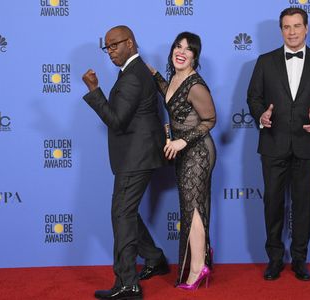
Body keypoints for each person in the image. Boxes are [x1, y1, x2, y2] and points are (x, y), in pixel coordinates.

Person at [247, 7, 310, 281]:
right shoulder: (264, 61)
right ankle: (274, 259)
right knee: (272, 203)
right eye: (286, 27)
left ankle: (299, 259)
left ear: (306, 28)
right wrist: (261, 115)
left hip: (307, 143)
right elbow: (253, 98)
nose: (292, 32)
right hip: (273, 142)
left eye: (297, 26)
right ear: (281, 30)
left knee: (303, 204)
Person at [82, 25, 169, 300]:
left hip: (135, 156)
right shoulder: (135, 71)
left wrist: (95, 91)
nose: (110, 51)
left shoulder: (132, 76)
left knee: (121, 214)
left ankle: (127, 283)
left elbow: (117, 121)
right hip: (138, 154)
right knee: (126, 212)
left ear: (130, 43)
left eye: (115, 45)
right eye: (106, 47)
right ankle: (154, 259)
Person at [148, 32, 216, 290]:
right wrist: (151, 72)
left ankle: (199, 268)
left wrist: (181, 142)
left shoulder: (196, 85)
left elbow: (210, 120)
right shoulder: (176, 78)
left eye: (188, 49)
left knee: (193, 209)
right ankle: (202, 260)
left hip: (199, 152)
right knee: (193, 207)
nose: (181, 51)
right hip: (185, 152)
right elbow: (171, 96)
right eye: (178, 46)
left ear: (195, 57)